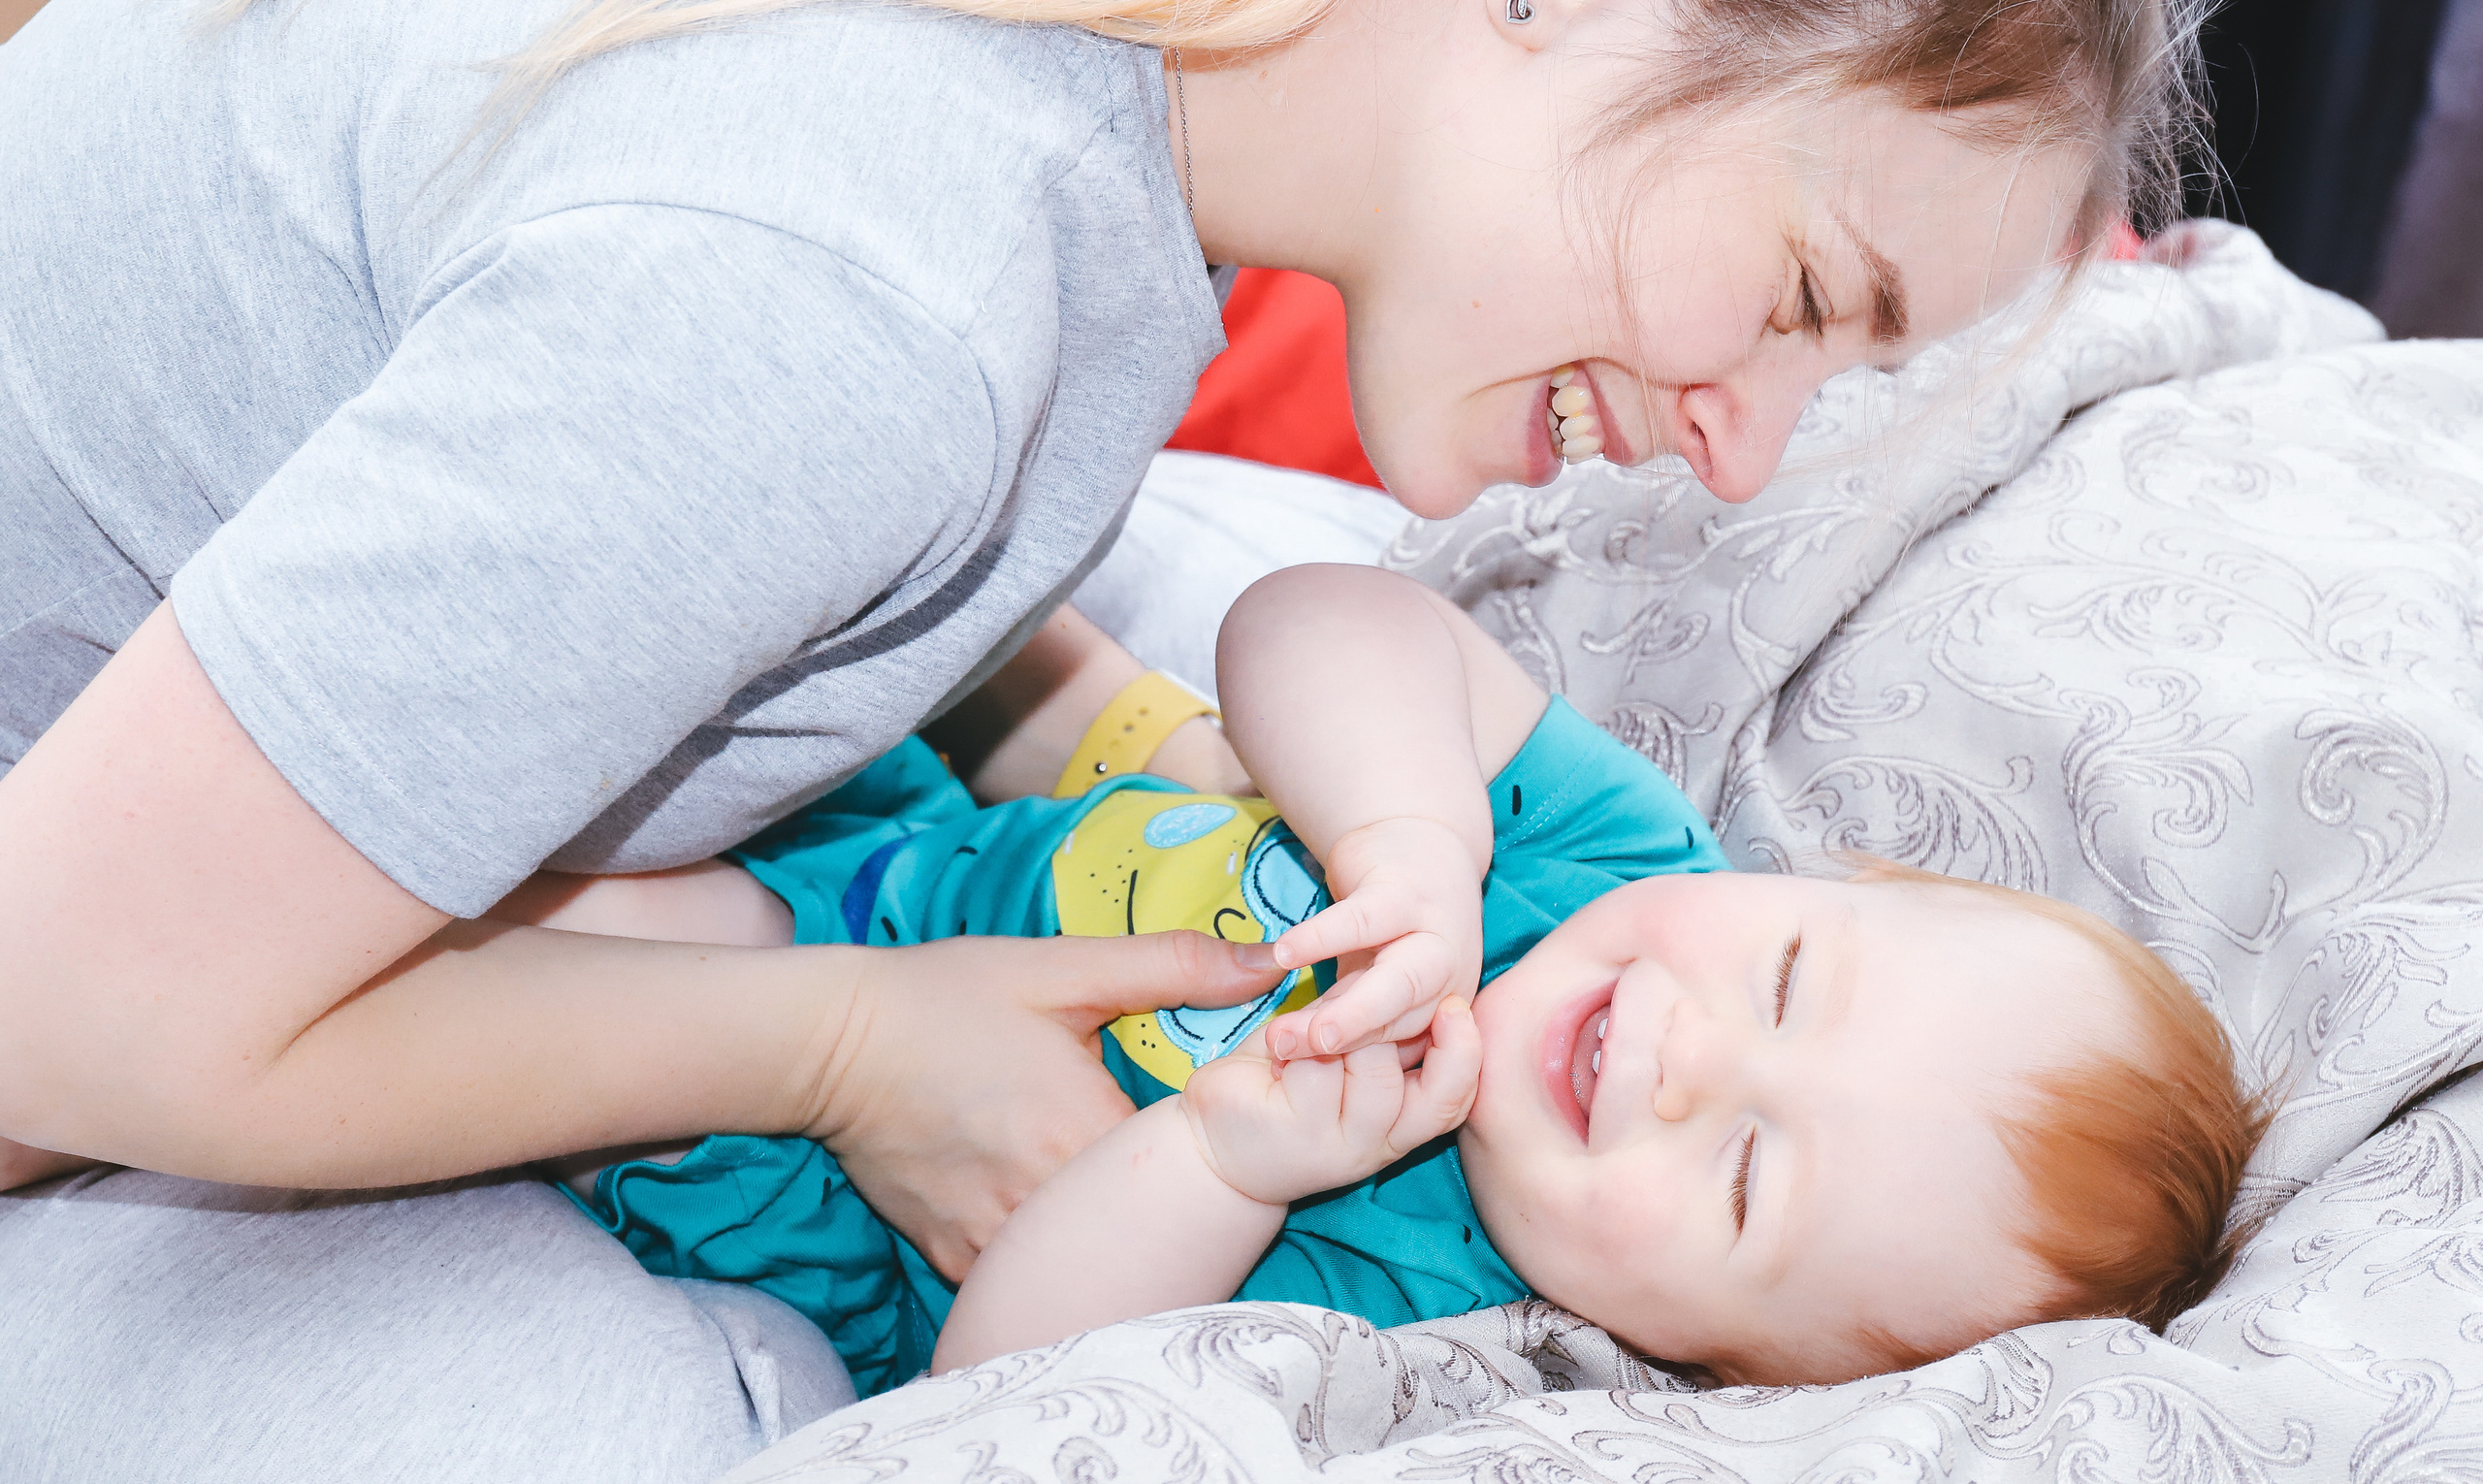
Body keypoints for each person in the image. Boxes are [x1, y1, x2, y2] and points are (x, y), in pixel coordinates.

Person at [0, 0, 2228, 1463]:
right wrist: (849, 1047)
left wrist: (1056, 700)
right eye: (1806, 297)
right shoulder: (875, 301)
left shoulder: (1041, 2)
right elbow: (55, 1010)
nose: (1737, 459)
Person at [521, 565, 2266, 1394]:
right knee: (893, 585)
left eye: (1747, 1175)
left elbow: (1007, 1377)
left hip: (823, 1143)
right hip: (951, 838)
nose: (1684, 1055)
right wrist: (1412, 833)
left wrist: (1218, 1165)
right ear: (1812, 885)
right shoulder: (1611, 865)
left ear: (1715, 1364)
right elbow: (1318, 617)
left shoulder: (1428, 1317)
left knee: (566, 920)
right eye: (1791, 979)